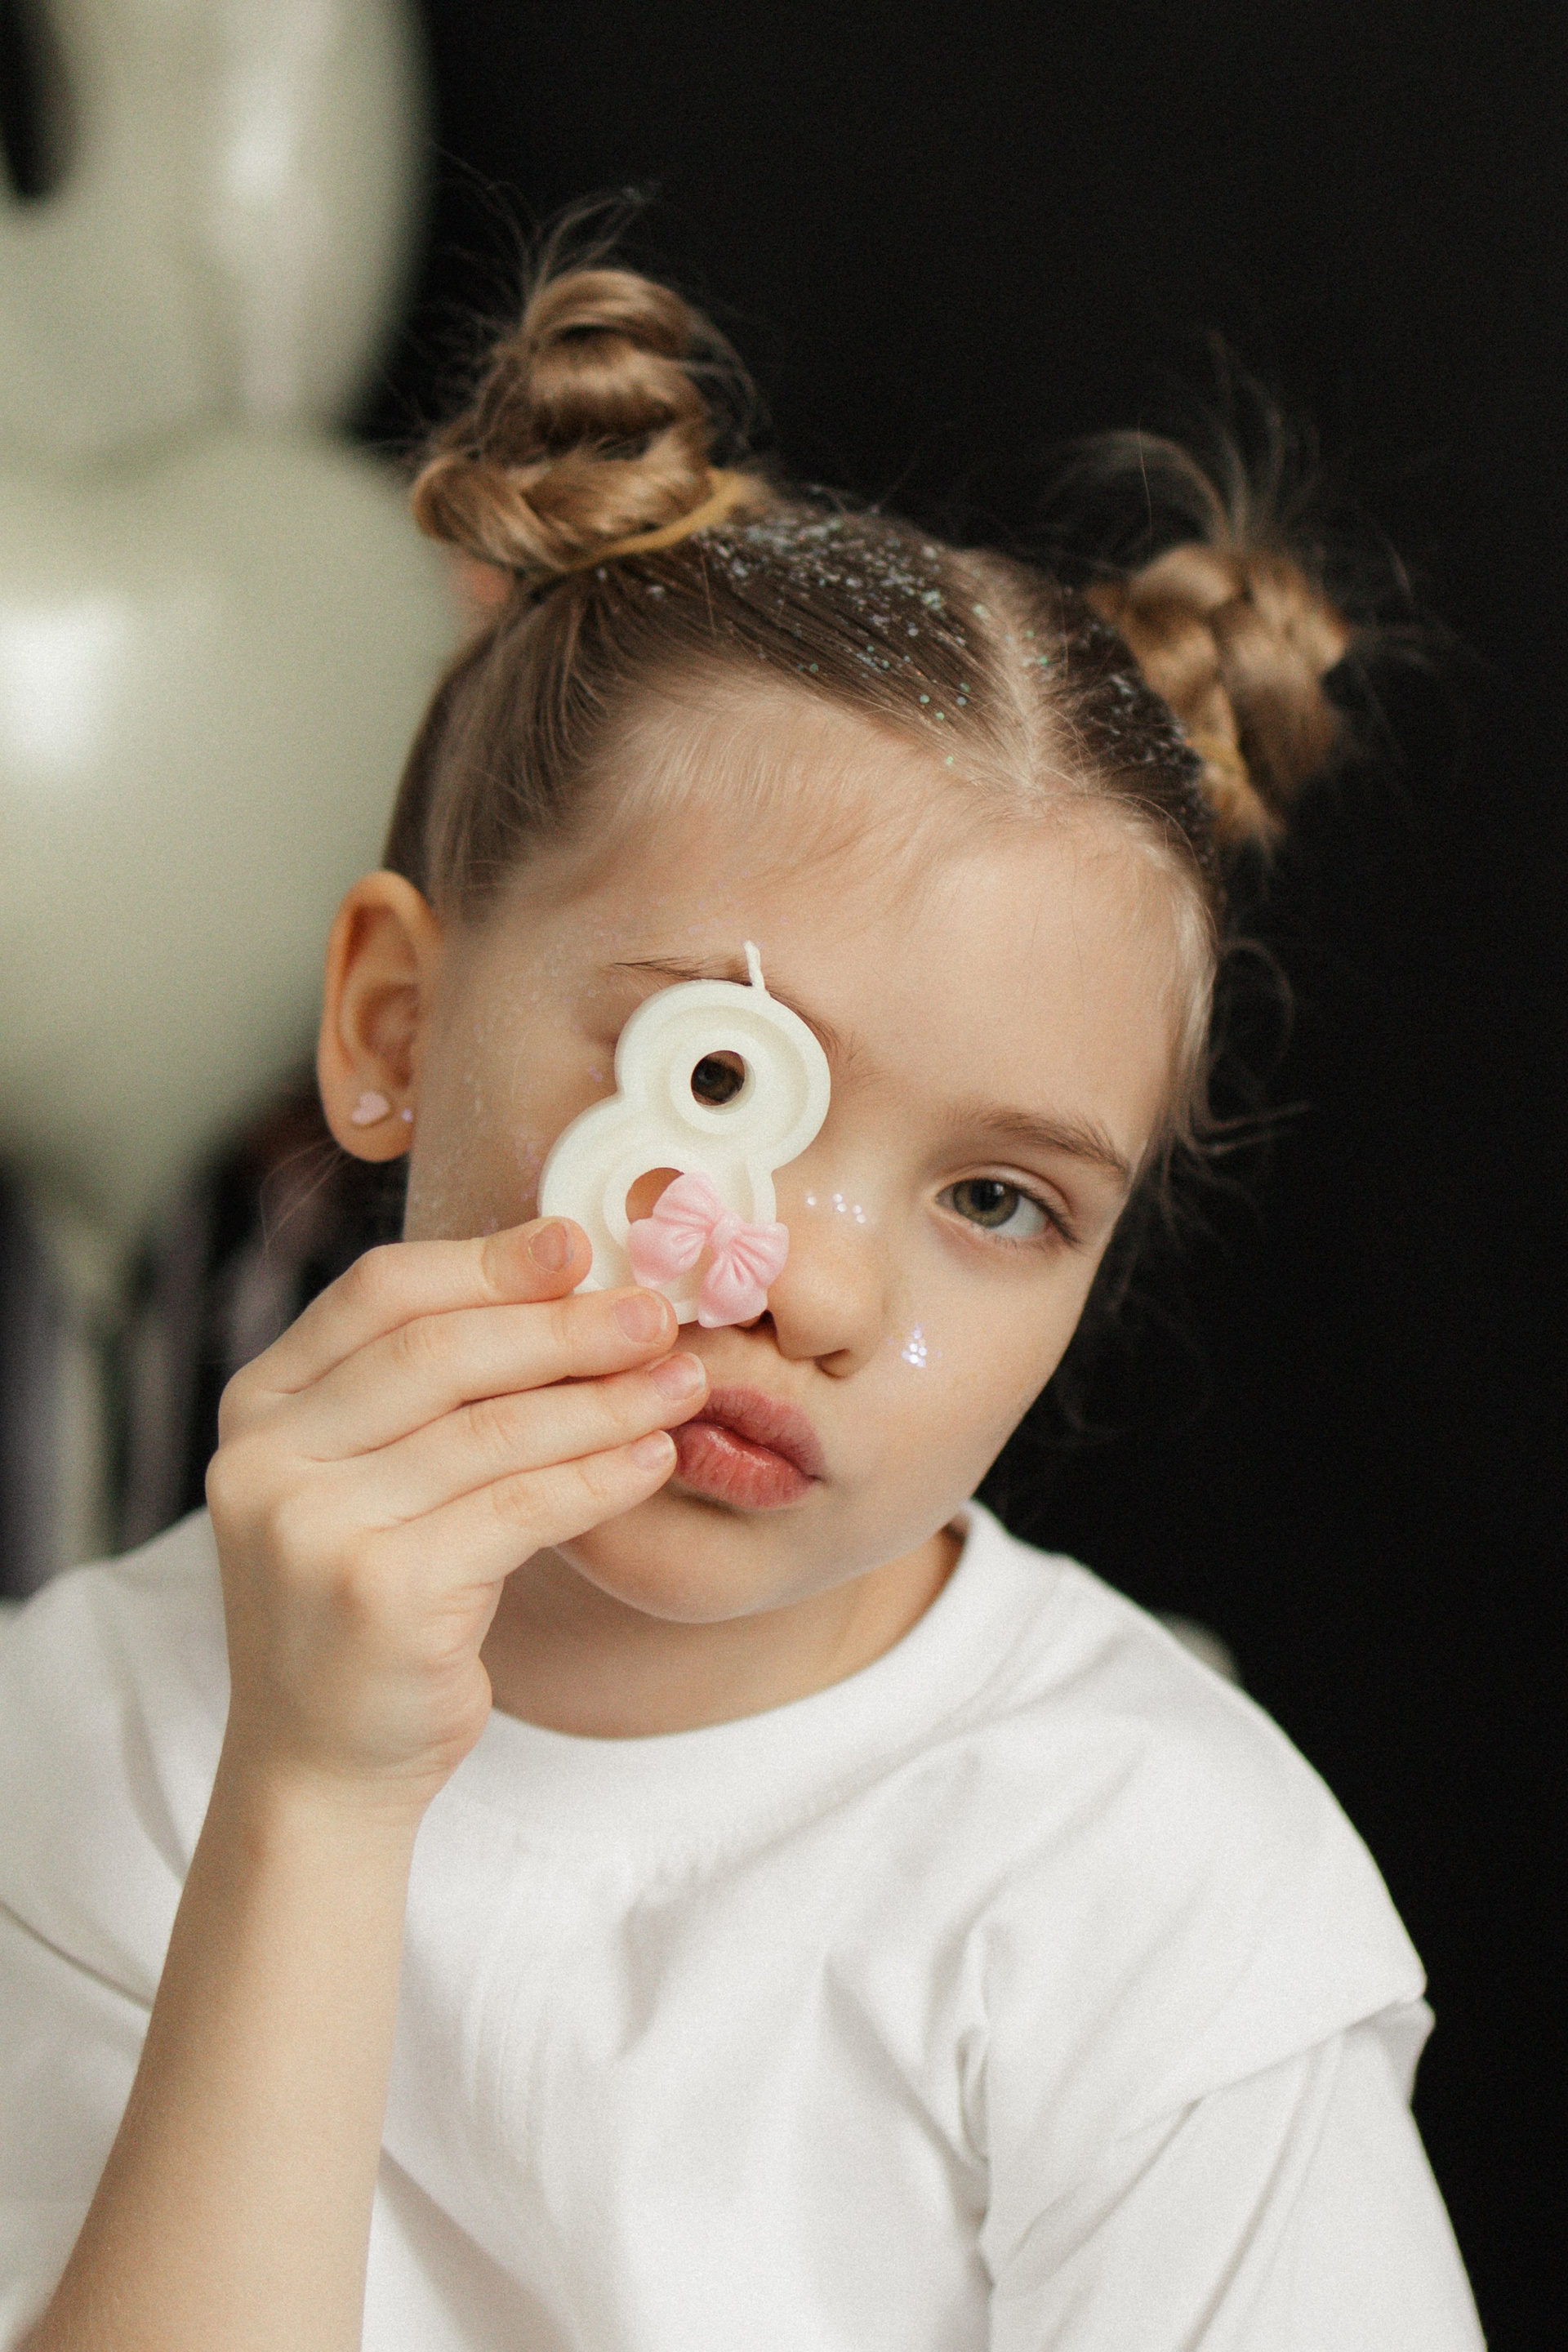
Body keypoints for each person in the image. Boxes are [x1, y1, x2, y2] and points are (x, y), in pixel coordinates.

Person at [0, 252, 1485, 2350]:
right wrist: (310, 1800)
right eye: (716, 1082)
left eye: (998, 1198)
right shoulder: (79, 1743)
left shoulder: (1151, 1883)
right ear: (396, 1023)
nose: (818, 1286)